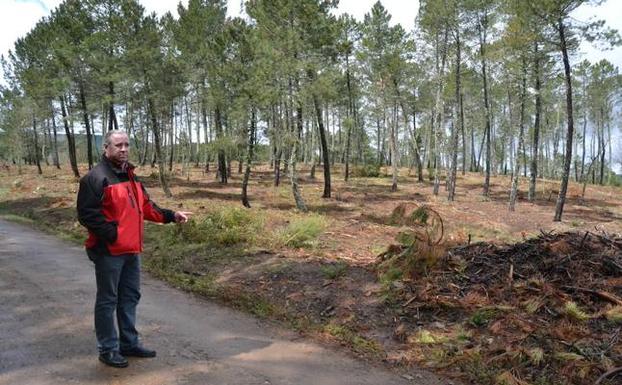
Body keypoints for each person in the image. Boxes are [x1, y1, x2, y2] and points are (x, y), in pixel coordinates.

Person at [77, 130, 191, 368]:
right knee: (108, 300)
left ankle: (128, 343)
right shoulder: (95, 178)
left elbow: (147, 206)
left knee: (130, 297)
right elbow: (87, 214)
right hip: (109, 251)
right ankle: (108, 349)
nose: (124, 149)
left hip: (132, 251)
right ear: (106, 148)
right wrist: (113, 234)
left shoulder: (132, 177)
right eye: (118, 145)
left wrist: (171, 215)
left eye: (127, 144)